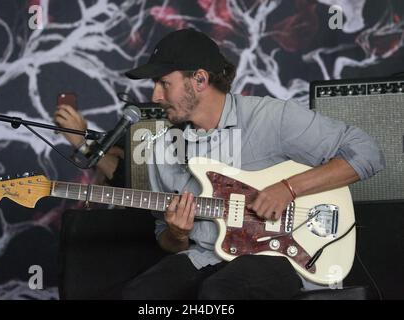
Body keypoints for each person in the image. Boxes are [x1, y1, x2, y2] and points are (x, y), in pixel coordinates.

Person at [118, 28, 385, 300]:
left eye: (164, 83)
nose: (155, 96)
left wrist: (288, 188)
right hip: (206, 255)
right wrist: (177, 234)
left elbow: (367, 153)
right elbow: (165, 235)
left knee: (220, 294)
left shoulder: (270, 117)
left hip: (278, 254)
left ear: (199, 79)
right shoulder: (163, 147)